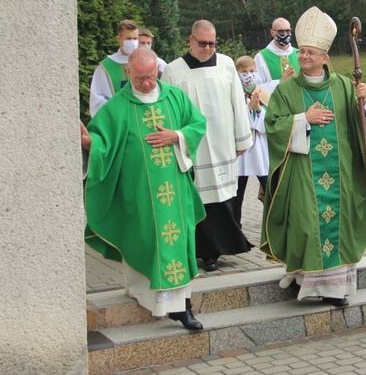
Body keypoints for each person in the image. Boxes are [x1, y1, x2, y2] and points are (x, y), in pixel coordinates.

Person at [260, 6, 366, 307]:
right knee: (307, 224)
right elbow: (273, 126)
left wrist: (364, 101)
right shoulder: (286, 90)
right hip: (302, 171)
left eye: (310, 52)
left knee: (339, 225)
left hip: (340, 172)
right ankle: (304, 280)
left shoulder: (344, 86)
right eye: (301, 51)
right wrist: (303, 118)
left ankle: (335, 290)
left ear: (324, 57)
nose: (303, 56)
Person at [81, 47, 206, 330]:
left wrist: (177, 135)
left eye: (151, 77)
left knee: (178, 240)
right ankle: (145, 295)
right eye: (140, 79)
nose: (148, 83)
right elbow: (102, 141)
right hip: (138, 193)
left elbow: (197, 124)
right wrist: (91, 145)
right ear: (129, 73)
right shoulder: (117, 107)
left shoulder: (174, 97)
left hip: (176, 191)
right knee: (145, 239)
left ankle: (181, 307)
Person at [162, 20, 254, 272]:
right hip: (193, 147)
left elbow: (237, 101)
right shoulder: (173, 71)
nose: (208, 48)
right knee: (199, 198)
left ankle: (226, 246)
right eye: (203, 43)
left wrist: (241, 138)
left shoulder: (225, 64)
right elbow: (169, 111)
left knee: (225, 196)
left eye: (213, 43)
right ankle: (205, 252)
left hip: (223, 142)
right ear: (190, 40)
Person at [235, 55, 270, 215]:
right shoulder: (234, 92)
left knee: (268, 186)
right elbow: (233, 119)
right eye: (244, 71)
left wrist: (257, 109)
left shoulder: (261, 92)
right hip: (241, 152)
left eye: (251, 71)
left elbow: (268, 121)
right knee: (238, 192)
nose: (248, 74)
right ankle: (236, 227)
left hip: (258, 149)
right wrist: (248, 107)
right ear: (237, 73)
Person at [89, 19, 140, 117]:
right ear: (119, 38)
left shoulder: (144, 62)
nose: (132, 42)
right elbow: (97, 100)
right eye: (128, 38)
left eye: (135, 38)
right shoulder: (105, 68)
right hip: (117, 118)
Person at [254, 17, 300, 94]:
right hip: (274, 103)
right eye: (281, 31)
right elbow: (256, 88)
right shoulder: (261, 57)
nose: (285, 34)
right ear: (272, 32)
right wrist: (280, 82)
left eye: (288, 31)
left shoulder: (299, 54)